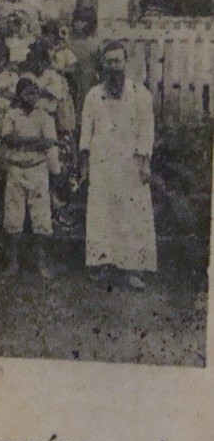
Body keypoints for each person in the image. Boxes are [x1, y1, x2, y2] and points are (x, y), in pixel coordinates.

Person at [79, 41, 156, 289]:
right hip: (102, 164)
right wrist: (84, 164)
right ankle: (104, 265)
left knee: (132, 215)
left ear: (125, 63)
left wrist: (144, 162)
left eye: (117, 61)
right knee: (102, 215)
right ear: (103, 64)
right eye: (109, 61)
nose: (113, 66)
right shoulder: (93, 96)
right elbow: (85, 134)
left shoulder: (140, 95)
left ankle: (133, 269)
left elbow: (146, 132)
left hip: (130, 166)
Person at [0, 78, 59, 278]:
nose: (31, 97)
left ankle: (40, 264)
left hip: (37, 168)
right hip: (16, 168)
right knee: (13, 217)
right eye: (26, 93)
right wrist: (33, 140)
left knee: (41, 217)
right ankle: (13, 263)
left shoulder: (44, 116)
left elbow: (48, 142)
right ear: (19, 94)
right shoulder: (11, 115)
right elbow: (8, 139)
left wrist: (22, 142)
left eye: (34, 93)